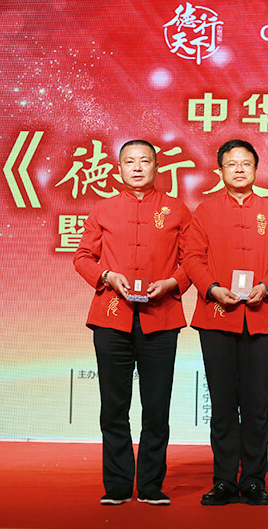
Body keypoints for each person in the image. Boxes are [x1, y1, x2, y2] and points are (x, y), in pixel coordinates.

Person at [74, 140, 191, 506]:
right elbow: (82, 256)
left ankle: (151, 485)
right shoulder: (103, 209)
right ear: (119, 168)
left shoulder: (176, 209)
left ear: (157, 167)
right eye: (130, 161)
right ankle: (118, 484)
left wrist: (172, 283)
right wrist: (106, 275)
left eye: (144, 161)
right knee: (113, 406)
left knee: (156, 406)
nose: (137, 168)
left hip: (161, 316)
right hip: (111, 316)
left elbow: (193, 260)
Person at [183, 140, 268, 506]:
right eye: (232, 164)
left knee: (257, 403)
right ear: (220, 171)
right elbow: (192, 258)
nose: (240, 169)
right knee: (223, 404)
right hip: (217, 316)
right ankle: (225, 480)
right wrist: (213, 289)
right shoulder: (205, 211)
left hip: (260, 316)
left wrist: (267, 286)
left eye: (246, 163)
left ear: (256, 170)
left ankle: (255, 480)